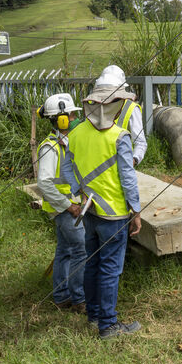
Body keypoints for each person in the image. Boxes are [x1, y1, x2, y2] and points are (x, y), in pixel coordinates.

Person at [65, 76, 143, 339]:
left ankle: (94, 315)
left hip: (90, 211)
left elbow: (68, 170)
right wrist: (137, 210)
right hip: (114, 215)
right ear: (115, 107)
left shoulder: (75, 133)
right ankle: (108, 325)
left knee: (92, 262)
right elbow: (128, 177)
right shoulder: (119, 137)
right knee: (110, 268)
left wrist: (81, 192)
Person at [36, 93, 86, 313]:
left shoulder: (67, 143)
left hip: (69, 206)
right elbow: (45, 183)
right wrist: (69, 205)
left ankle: (61, 297)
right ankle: (79, 299)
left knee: (64, 250)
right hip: (65, 209)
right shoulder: (50, 148)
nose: (75, 118)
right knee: (81, 249)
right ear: (62, 119)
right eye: (72, 114)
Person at [86, 65, 147, 166]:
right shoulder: (91, 106)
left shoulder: (131, 108)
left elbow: (140, 142)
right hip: (93, 165)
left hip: (119, 168)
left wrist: (133, 160)